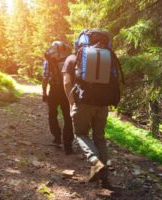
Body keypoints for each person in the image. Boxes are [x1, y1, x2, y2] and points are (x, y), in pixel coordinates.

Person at [62, 30, 123, 189]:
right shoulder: (107, 57)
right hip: (103, 104)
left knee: (80, 133)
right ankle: (105, 180)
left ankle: (94, 161)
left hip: (83, 102)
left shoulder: (73, 58)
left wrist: (70, 103)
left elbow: (67, 83)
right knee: (99, 138)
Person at [42, 41, 74, 155]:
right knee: (68, 117)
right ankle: (68, 145)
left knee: (52, 113)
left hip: (54, 90)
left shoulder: (48, 60)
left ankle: (57, 138)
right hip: (67, 91)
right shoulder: (69, 58)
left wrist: (44, 92)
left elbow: (45, 77)